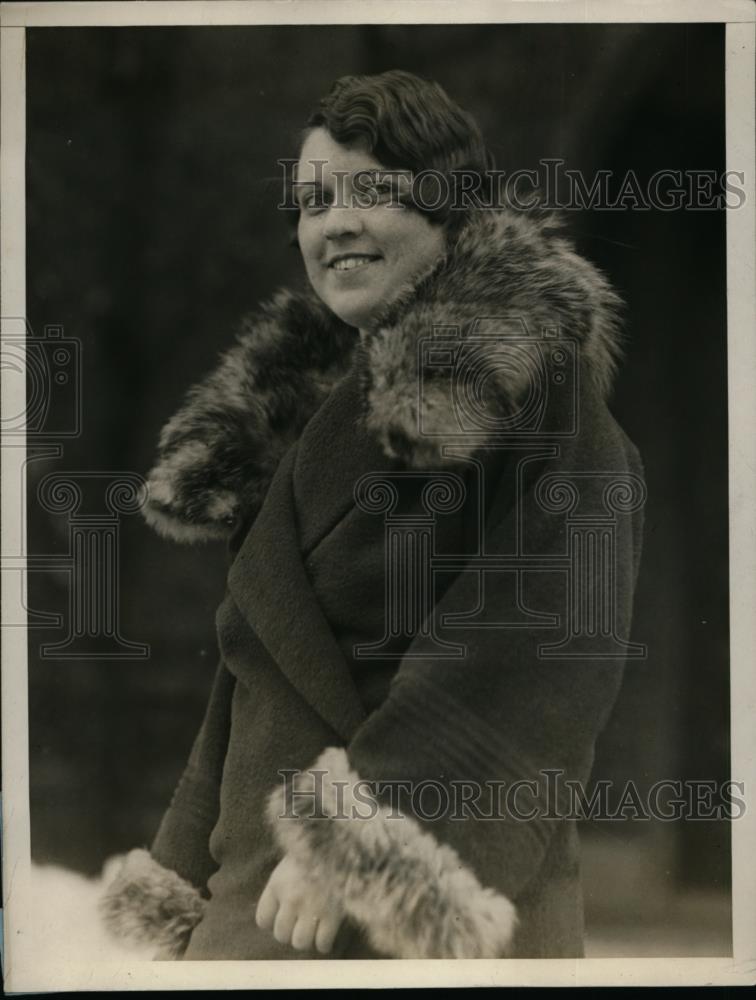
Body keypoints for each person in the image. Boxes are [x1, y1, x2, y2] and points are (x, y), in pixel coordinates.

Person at [99, 70, 645, 960]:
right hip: (255, 902)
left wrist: (360, 840)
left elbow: (541, 642)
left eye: (375, 192)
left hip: (414, 896)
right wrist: (176, 877)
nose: (335, 223)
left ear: (453, 216)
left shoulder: (534, 385)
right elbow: (251, 675)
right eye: (313, 203)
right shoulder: (307, 415)